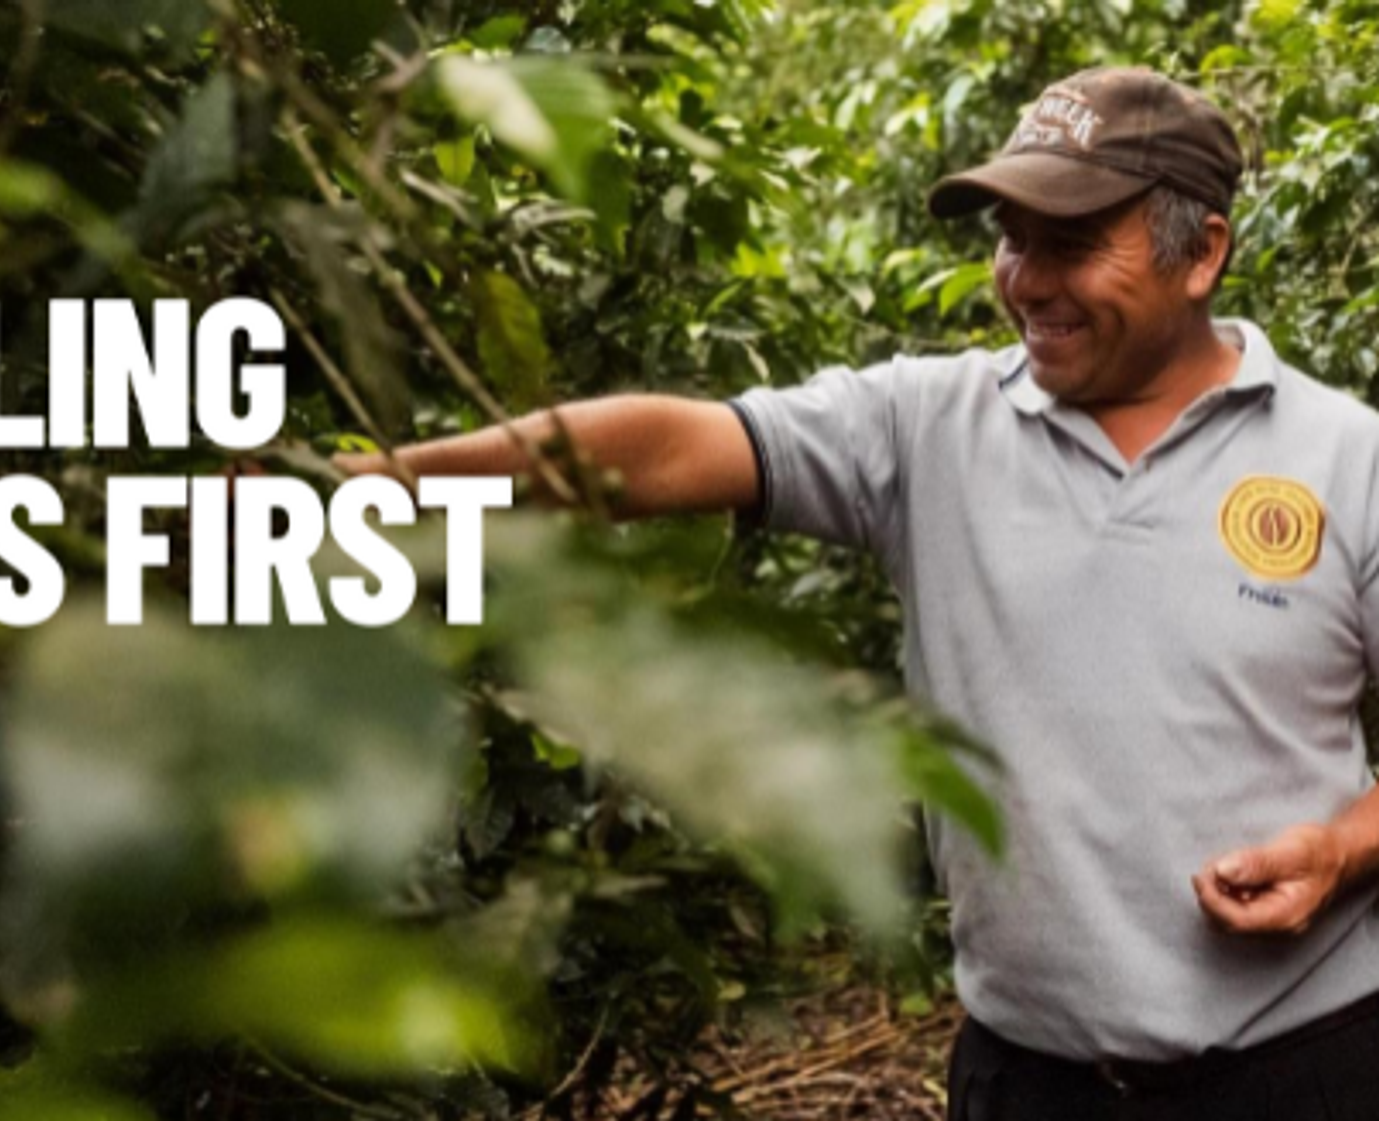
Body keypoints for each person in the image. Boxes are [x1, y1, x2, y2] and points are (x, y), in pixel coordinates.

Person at [338, 67, 1379, 1119]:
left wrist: (1340, 850)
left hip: (1309, 1068)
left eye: (1069, 243)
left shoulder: (1349, 458)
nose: (1025, 279)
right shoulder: (929, 427)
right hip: (1027, 1083)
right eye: (1011, 240)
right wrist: (374, 484)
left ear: (1201, 252)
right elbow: (668, 450)